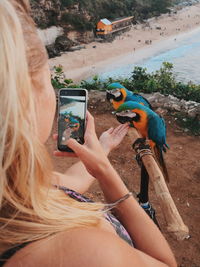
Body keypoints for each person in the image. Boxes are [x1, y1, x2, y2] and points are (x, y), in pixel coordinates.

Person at [0, 0, 177, 266]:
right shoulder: (80, 253)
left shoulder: (14, 185)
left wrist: (102, 154)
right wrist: (109, 175)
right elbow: (166, 262)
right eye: (49, 81)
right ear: (25, 99)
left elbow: (64, 187)